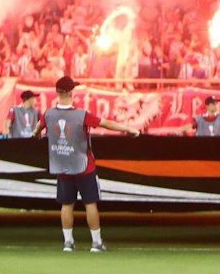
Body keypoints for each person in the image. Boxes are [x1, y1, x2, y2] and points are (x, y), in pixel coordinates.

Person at [41, 76, 146, 252]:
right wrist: (128, 129)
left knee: (66, 205)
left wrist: (37, 133)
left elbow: (38, 128)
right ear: (70, 92)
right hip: (84, 167)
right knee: (90, 203)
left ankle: (68, 242)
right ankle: (96, 243)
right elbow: (106, 124)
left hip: (62, 167)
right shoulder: (81, 115)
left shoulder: (48, 114)